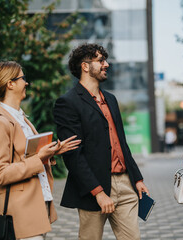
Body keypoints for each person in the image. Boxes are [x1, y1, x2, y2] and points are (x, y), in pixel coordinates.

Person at [53, 43, 150, 240]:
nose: (106, 65)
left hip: (124, 183)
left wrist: (137, 179)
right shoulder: (68, 102)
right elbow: (73, 154)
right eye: (100, 61)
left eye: (105, 60)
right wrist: (98, 192)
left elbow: (121, 143)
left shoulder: (111, 99)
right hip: (93, 187)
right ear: (85, 66)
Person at [0, 61, 81, 239]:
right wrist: (39, 158)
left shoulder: (21, 118)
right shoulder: (0, 123)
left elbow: (24, 155)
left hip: (36, 205)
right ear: (10, 84)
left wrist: (53, 151)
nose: (26, 83)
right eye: (22, 78)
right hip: (20, 211)